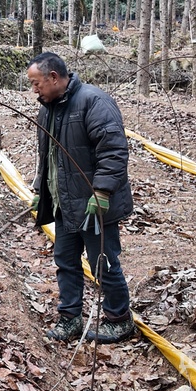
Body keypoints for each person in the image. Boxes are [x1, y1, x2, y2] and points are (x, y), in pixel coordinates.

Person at [27, 52, 135, 344]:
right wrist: (41, 189)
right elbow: (47, 156)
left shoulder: (94, 102)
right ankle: (70, 317)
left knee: (103, 262)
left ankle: (120, 319)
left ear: (53, 77)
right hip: (65, 204)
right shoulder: (47, 108)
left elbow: (113, 150)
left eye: (37, 83)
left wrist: (101, 191)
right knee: (65, 260)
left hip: (93, 205)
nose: (34, 90)